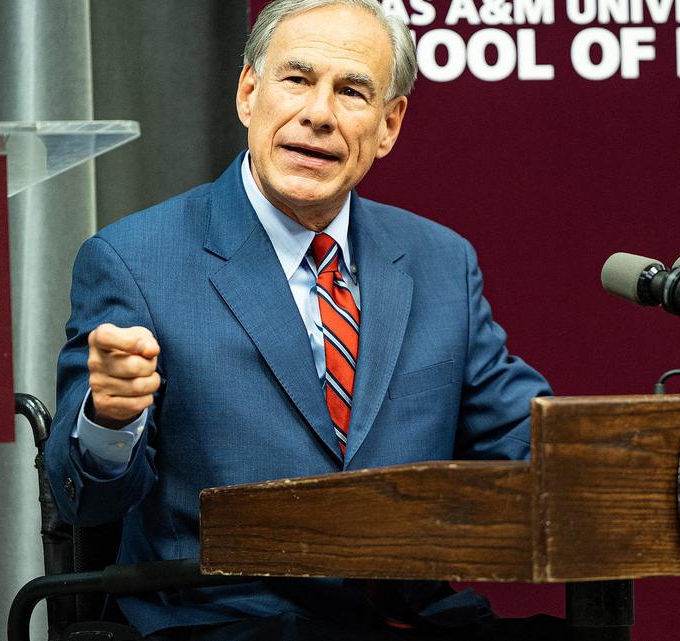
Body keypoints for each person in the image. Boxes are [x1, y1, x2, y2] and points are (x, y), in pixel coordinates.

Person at [45, 0, 556, 639]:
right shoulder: (134, 261)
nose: (318, 114)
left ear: (390, 124)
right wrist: (112, 417)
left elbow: (527, 442)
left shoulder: (440, 262)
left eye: (351, 91)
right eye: (297, 79)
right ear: (249, 92)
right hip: (225, 617)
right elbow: (83, 500)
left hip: (409, 614)